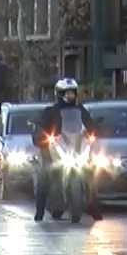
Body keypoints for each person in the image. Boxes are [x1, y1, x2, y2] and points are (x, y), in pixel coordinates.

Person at [33, 77, 98, 223]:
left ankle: (94, 207)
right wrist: (41, 136)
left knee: (91, 172)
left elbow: (90, 126)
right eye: (66, 93)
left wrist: (93, 133)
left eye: (72, 93)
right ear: (59, 94)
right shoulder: (50, 112)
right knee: (45, 175)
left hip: (76, 148)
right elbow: (40, 127)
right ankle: (40, 211)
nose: (69, 96)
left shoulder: (82, 110)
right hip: (56, 149)